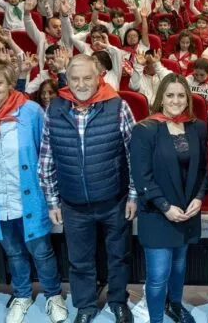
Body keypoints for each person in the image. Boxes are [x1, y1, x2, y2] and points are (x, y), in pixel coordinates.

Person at [0, 58, 68, 323]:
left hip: (30, 198)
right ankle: (21, 295)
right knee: (14, 252)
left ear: (10, 84)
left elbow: (47, 151)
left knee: (41, 251)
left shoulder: (31, 112)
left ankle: (53, 295)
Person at [38, 54, 137, 323]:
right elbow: (46, 159)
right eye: (75, 78)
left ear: (98, 77)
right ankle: (85, 306)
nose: (81, 84)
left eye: (87, 77)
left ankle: (117, 301)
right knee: (79, 260)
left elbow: (134, 155)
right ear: (66, 80)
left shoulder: (118, 106)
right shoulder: (54, 109)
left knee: (118, 256)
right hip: (72, 203)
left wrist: (133, 194)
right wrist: (52, 201)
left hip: (114, 199)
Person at [130, 73, 208, 323]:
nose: (175, 101)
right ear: (160, 98)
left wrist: (199, 197)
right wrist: (165, 207)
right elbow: (141, 177)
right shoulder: (145, 129)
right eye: (170, 95)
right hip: (158, 212)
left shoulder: (197, 127)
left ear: (188, 98)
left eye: (180, 95)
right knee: (157, 275)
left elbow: (205, 169)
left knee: (179, 267)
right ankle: (156, 319)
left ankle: (174, 305)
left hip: (187, 211)